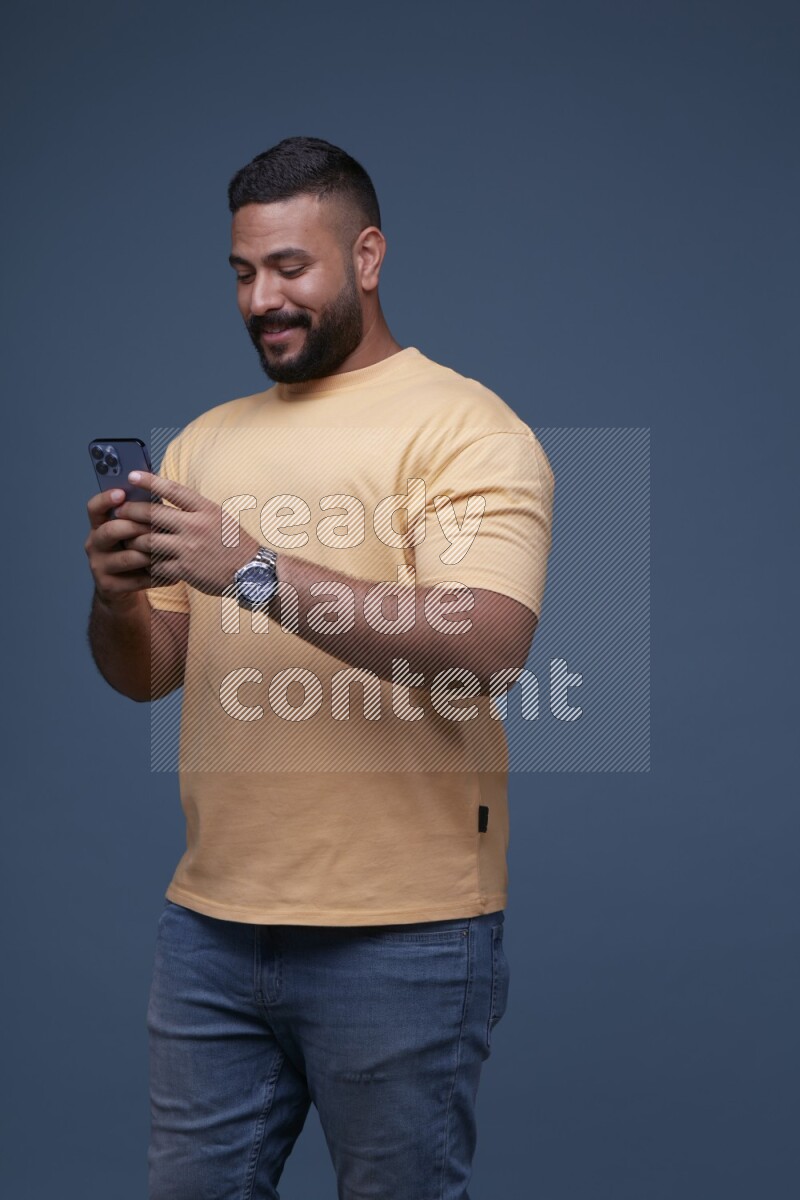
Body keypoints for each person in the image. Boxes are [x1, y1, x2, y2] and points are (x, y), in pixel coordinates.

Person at [84, 136, 555, 1200]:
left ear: (369, 255)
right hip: (208, 927)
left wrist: (248, 569)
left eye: (291, 266)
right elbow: (149, 671)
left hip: (405, 936)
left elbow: (483, 649)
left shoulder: (464, 428)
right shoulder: (206, 440)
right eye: (243, 273)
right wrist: (117, 596)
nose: (261, 298)